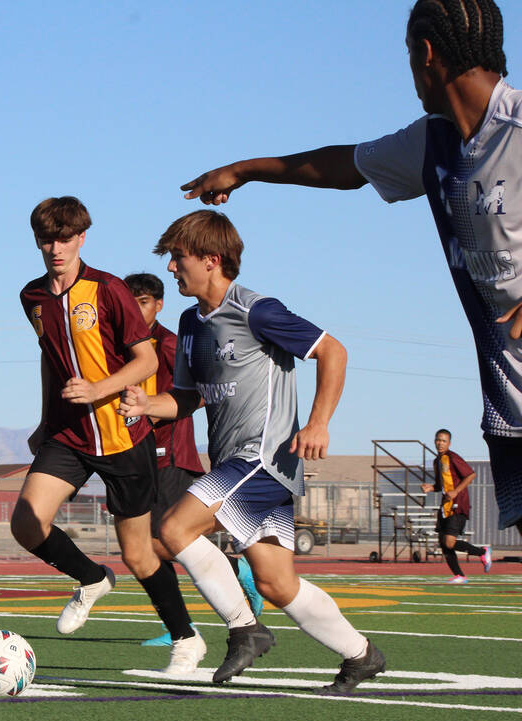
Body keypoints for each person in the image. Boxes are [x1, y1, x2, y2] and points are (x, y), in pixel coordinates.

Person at [179, 0, 522, 540]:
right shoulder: (434, 142)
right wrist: (244, 171)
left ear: (425, 53)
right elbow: (342, 166)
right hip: (507, 401)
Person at [118, 210, 386, 694]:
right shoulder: (189, 321)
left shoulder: (256, 309)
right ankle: (360, 654)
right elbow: (187, 397)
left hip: (263, 458)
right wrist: (145, 405)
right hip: (235, 465)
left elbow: (333, 351)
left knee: (173, 529)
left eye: (179, 258)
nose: (172, 268)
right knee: (276, 583)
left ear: (212, 260)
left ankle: (245, 630)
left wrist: (318, 422)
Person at [14, 197, 207, 675]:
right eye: (46, 238)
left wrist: (99, 389)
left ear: (81, 237)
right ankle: (92, 577)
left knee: (140, 554)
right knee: (25, 523)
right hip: (69, 435)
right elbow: (50, 358)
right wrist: (44, 419)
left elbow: (145, 362)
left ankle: (186, 638)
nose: (55, 247)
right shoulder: (32, 297)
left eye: (64, 238)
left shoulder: (109, 289)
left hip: (123, 437)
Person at [122, 272, 264, 648]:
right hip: (134, 456)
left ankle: (233, 571)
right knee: (145, 545)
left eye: (143, 302)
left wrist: (154, 411)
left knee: (157, 542)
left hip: (170, 455)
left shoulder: (168, 343)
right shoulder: (123, 343)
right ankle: (178, 624)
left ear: (158, 304)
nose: (136, 310)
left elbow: (200, 391)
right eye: (130, 302)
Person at [420, 428, 491, 583]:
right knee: (443, 543)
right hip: (445, 506)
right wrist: (431, 488)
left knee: (449, 541)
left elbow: (471, 474)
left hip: (458, 505)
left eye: (444, 441)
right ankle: (460, 575)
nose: (440, 443)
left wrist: (456, 491)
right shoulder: (437, 461)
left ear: (449, 443)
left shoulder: (452, 457)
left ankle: (482, 552)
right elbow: (441, 485)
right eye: (438, 440)